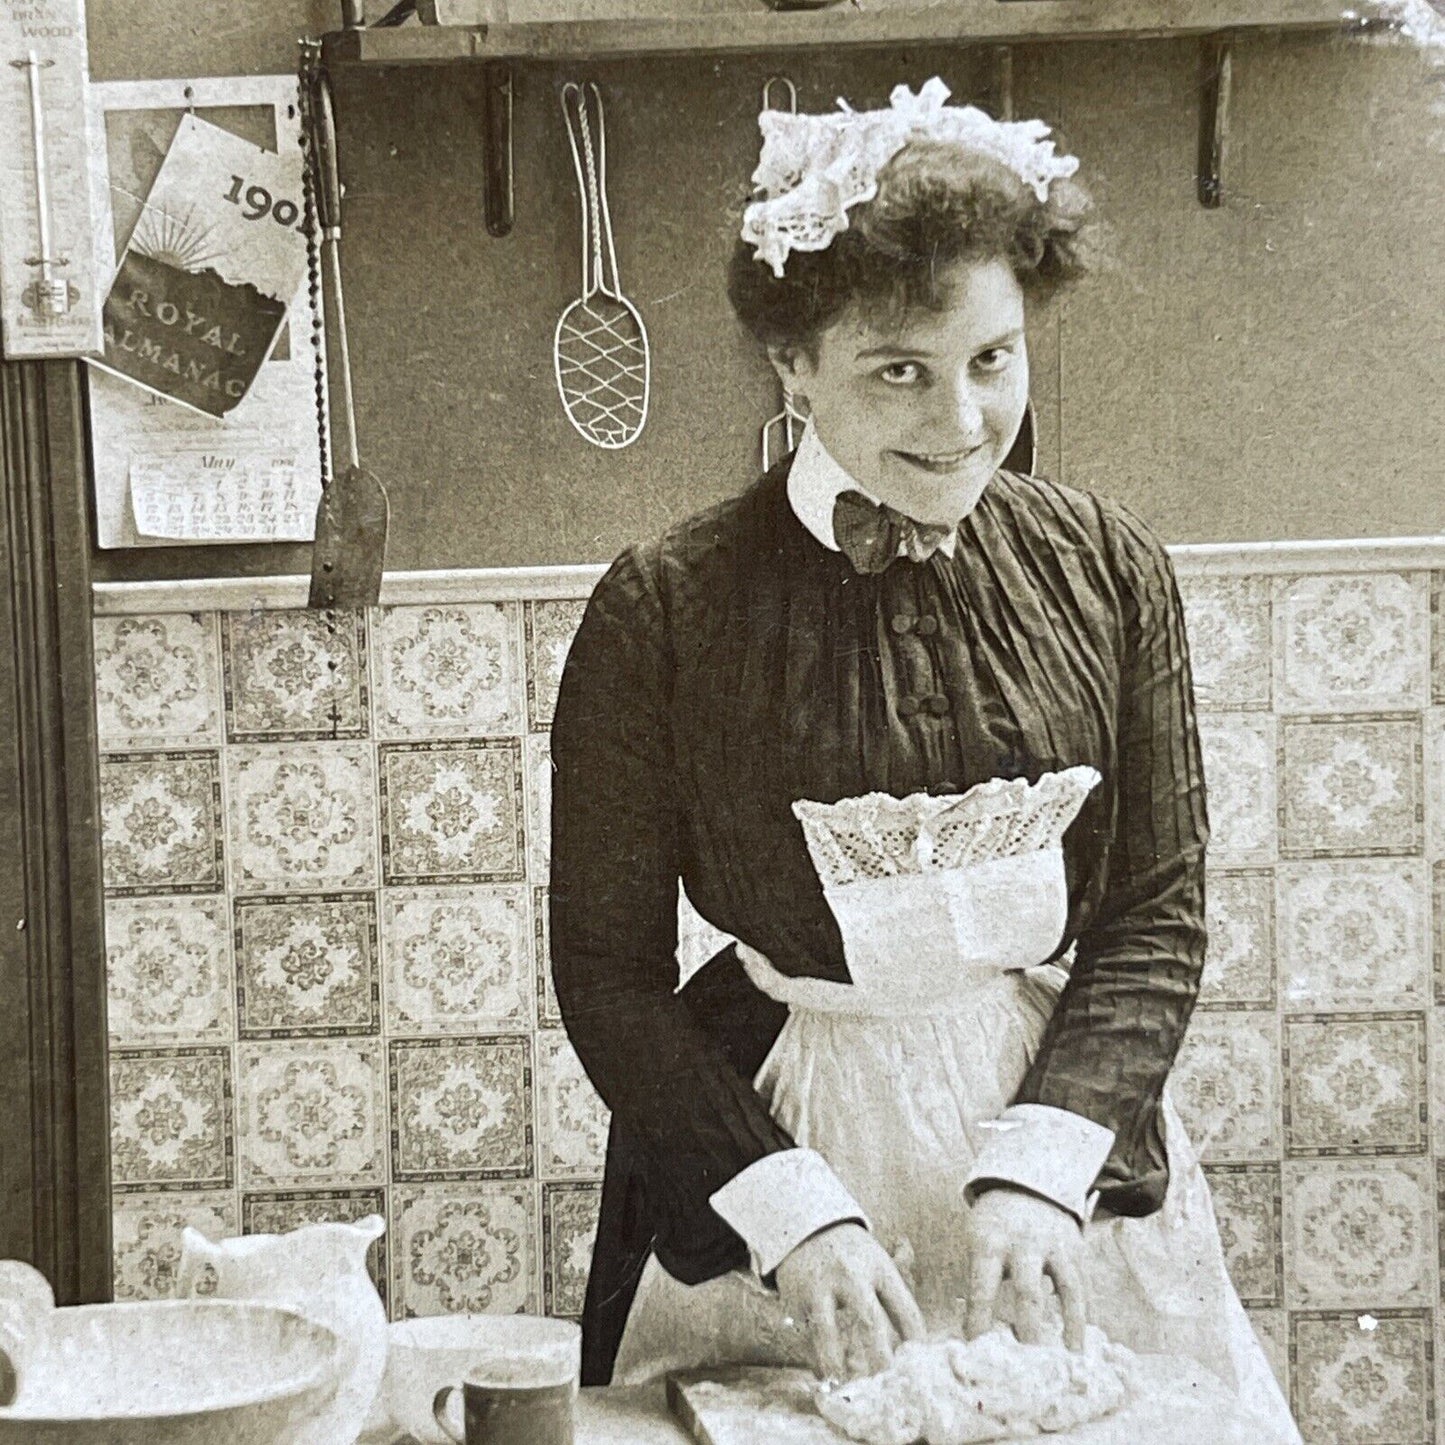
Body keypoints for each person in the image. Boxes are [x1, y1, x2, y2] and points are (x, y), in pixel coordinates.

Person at [549, 77, 1300, 1441]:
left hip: (1054, 1151)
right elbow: (605, 973)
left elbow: (1153, 908)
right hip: (776, 1155)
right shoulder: (662, 605)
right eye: (899, 367)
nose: (958, 418)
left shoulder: (1110, 569)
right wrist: (785, 1208)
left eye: (991, 360)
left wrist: (1043, 1163)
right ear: (791, 361)